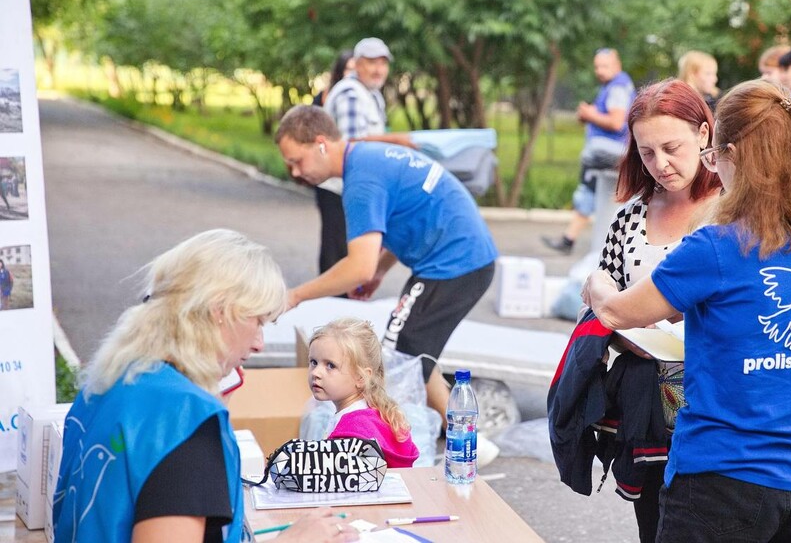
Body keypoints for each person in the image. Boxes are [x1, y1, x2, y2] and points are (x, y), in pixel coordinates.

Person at [583, 80, 791, 542]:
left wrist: (598, 285)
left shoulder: (716, 247)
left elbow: (617, 314)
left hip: (716, 486)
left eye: (714, 156)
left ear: (733, 154)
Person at [53, 229, 358, 543]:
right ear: (221, 311)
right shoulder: (185, 422)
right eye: (258, 322)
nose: (259, 344)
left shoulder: (110, 381)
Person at [275, 105, 497, 423]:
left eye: (297, 161)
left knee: (400, 352)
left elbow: (357, 267)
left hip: (457, 261)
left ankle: (453, 435)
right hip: (457, 255)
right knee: (413, 347)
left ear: (321, 143)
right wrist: (380, 268)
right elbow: (408, 214)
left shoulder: (361, 183)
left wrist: (295, 296)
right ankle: (456, 429)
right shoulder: (366, 157)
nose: (296, 172)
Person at [595, 79, 721, 543]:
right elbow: (602, 289)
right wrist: (603, 295)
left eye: (672, 147)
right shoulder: (631, 214)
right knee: (654, 523)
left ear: (704, 135)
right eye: (647, 153)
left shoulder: (731, 210)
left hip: (710, 395)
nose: (661, 165)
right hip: (642, 396)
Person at [317, 38, 414, 274]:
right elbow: (352, 145)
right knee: (339, 258)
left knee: (352, 256)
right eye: (371, 62)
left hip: (354, 186)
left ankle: (345, 305)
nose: (378, 69)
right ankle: (331, 307)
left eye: (383, 63)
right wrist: (398, 141)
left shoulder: (370, 94)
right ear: (357, 64)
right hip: (340, 188)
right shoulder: (350, 94)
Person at [543, 48, 635, 254]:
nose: (600, 71)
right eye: (597, 66)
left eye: (605, 66)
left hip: (614, 150)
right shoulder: (611, 85)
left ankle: (573, 240)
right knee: (590, 190)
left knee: (590, 162)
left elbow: (616, 121)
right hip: (610, 152)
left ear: (617, 66)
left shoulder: (618, 87)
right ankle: (569, 239)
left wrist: (590, 114)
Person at [308, 317, 419, 468]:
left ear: (361, 377)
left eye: (330, 365)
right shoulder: (376, 415)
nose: (316, 372)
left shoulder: (350, 436)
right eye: (313, 362)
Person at [311, 50, 355, 276]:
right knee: (333, 237)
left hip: (346, 181)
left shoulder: (362, 97)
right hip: (330, 180)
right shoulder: (332, 96)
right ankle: (329, 291)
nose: (353, 74)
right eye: (349, 69)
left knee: (348, 238)